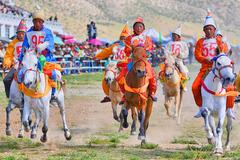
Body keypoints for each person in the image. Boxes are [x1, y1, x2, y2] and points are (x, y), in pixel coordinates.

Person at [192, 9, 235, 119]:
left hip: (219, 68)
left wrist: (220, 43)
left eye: (210, 28)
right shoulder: (200, 42)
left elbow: (224, 52)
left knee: (230, 88)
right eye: (206, 29)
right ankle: (201, 107)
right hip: (205, 69)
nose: (208, 31)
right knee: (195, 86)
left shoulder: (218, 41)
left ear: (214, 30)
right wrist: (206, 60)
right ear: (204, 30)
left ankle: (229, 108)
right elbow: (197, 55)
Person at [18, 10, 57, 101]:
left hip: (45, 58)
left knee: (53, 74)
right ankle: (22, 94)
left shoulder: (47, 32)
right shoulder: (28, 32)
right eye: (35, 21)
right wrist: (21, 60)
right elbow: (24, 47)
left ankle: (53, 94)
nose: (37, 23)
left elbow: (49, 44)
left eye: (40, 21)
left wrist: (42, 48)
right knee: (20, 74)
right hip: (31, 59)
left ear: (43, 22)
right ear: (33, 22)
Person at [116, 16, 157, 104]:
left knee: (152, 75)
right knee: (120, 77)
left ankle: (152, 93)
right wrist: (130, 51)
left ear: (143, 28)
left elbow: (150, 48)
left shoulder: (147, 38)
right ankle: (124, 95)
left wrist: (146, 51)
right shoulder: (129, 38)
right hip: (132, 61)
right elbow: (126, 51)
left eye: (140, 26)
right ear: (133, 28)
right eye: (136, 26)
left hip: (143, 62)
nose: (138, 28)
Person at [93, 24, 130, 103]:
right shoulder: (115, 46)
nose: (123, 39)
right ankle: (109, 94)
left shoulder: (130, 47)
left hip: (124, 64)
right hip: (114, 64)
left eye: (125, 38)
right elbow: (106, 51)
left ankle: (129, 94)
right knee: (107, 76)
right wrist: (97, 56)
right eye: (122, 37)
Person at [3, 19, 27, 98]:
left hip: (28, 65)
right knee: (6, 80)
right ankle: (10, 96)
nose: (20, 35)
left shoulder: (29, 42)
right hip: (17, 65)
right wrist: (7, 63)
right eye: (19, 33)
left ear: (25, 34)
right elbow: (8, 55)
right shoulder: (13, 43)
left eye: (22, 33)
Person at [165, 25, 189, 91]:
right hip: (170, 60)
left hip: (179, 60)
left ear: (179, 36)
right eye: (173, 36)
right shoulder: (169, 43)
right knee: (163, 71)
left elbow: (186, 53)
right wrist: (170, 54)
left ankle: (183, 85)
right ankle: (165, 86)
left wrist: (179, 54)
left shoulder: (183, 44)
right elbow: (166, 51)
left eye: (175, 36)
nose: (173, 37)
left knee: (184, 71)